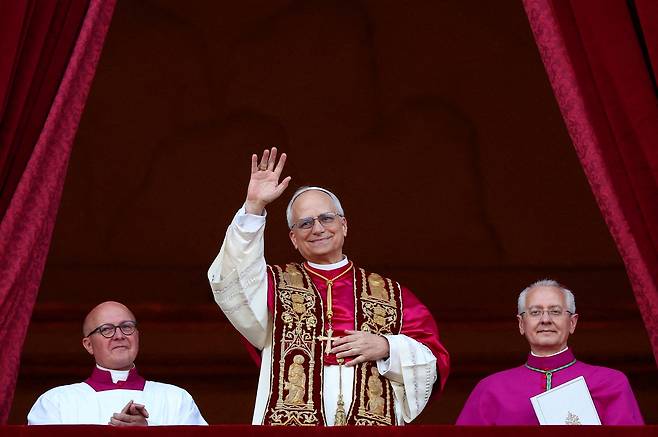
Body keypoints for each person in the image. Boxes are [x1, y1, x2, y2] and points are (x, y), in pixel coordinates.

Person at [208, 147, 450, 426]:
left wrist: (387, 347)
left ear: (344, 225)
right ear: (293, 238)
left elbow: (435, 362)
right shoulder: (272, 285)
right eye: (305, 223)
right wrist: (253, 208)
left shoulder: (391, 294)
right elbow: (231, 280)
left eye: (326, 218)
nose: (318, 228)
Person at [456, 279, 644, 425]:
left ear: (572, 323)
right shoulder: (490, 389)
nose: (545, 319)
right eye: (535, 312)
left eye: (555, 311)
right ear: (522, 324)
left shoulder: (610, 383)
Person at [28, 301, 207, 426]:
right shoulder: (56, 402)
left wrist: (148, 432)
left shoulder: (176, 399)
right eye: (106, 329)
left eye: (126, 327)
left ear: (137, 335)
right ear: (88, 345)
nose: (119, 335)